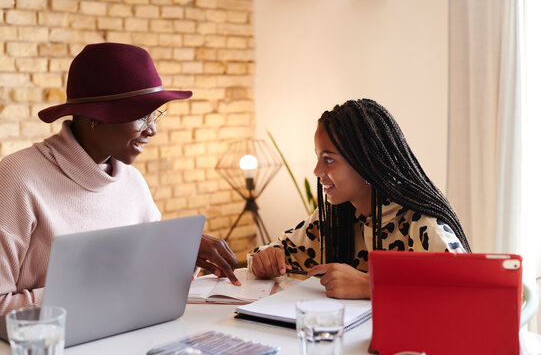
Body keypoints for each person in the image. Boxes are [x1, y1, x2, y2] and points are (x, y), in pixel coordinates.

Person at [0, 43, 239, 316]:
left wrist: (181, 251)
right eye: (141, 116)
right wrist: (108, 284)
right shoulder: (17, 178)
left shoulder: (132, 182)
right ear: (94, 117)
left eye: (155, 114)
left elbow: (147, 279)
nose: (153, 129)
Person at [250, 99, 471, 299]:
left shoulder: (422, 225)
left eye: (328, 159)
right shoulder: (334, 219)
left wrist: (370, 285)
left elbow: (465, 290)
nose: (316, 170)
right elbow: (274, 252)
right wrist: (264, 259)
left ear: (368, 162)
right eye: (317, 157)